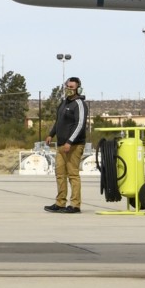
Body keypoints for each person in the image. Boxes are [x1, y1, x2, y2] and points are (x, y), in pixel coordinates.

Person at [47, 77, 89, 213]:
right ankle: (60, 203)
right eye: (67, 87)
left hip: (74, 146)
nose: (69, 89)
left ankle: (75, 205)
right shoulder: (63, 103)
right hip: (60, 145)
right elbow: (58, 122)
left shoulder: (80, 104)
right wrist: (51, 134)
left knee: (73, 175)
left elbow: (80, 124)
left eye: (72, 87)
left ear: (78, 88)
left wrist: (70, 141)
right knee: (60, 174)